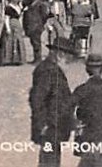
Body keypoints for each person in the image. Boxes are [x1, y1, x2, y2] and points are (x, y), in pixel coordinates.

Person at [29, 36, 76, 167]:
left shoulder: (50, 69)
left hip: (54, 126)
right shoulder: (48, 72)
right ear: (60, 55)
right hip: (49, 127)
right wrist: (42, 124)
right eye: (68, 59)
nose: (68, 63)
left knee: (51, 160)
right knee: (49, 162)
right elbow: (37, 99)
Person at [0, 0, 27, 66]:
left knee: (17, 40)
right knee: (8, 41)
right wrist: (7, 28)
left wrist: (21, 26)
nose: (16, 0)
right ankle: (7, 59)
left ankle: (17, 59)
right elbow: (6, 18)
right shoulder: (8, 7)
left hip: (17, 24)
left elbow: (20, 17)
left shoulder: (19, 7)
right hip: (10, 24)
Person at [23, 0, 50, 64]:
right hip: (30, 25)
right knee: (33, 42)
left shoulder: (41, 4)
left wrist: (41, 24)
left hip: (37, 25)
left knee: (36, 42)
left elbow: (44, 15)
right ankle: (36, 58)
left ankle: (38, 59)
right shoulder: (30, 4)